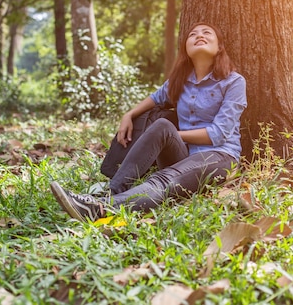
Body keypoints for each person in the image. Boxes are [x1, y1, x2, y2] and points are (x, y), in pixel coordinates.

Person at [50, 22, 247, 221]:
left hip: (220, 157)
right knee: (162, 126)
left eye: (207, 33)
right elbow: (156, 98)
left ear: (219, 46)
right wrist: (128, 114)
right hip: (184, 155)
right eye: (193, 34)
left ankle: (101, 209)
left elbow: (219, 133)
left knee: (163, 179)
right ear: (186, 49)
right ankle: (110, 192)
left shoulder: (233, 82)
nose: (199, 35)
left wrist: (176, 135)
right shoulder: (180, 81)